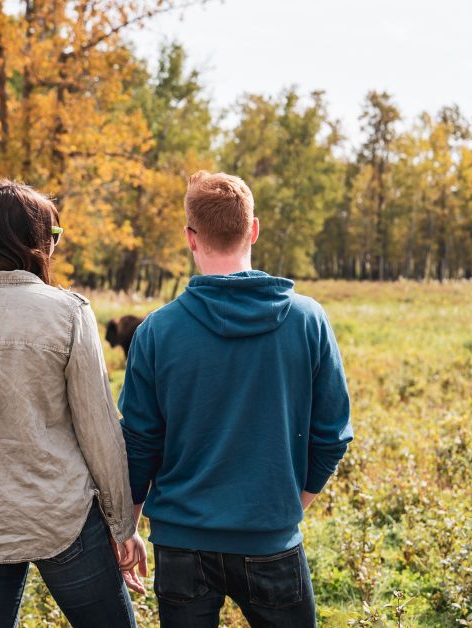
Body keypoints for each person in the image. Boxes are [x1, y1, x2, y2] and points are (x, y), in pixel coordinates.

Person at [119, 171, 353, 627]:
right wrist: (286, 507)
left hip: (182, 543)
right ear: (254, 229)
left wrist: (127, 527)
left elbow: (138, 443)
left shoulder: (156, 331)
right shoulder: (309, 320)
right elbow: (332, 436)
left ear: (191, 238)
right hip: (271, 540)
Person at [0, 180, 144, 627]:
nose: (55, 247)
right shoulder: (70, 313)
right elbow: (100, 434)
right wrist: (123, 527)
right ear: (36, 242)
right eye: (53, 237)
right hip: (61, 516)